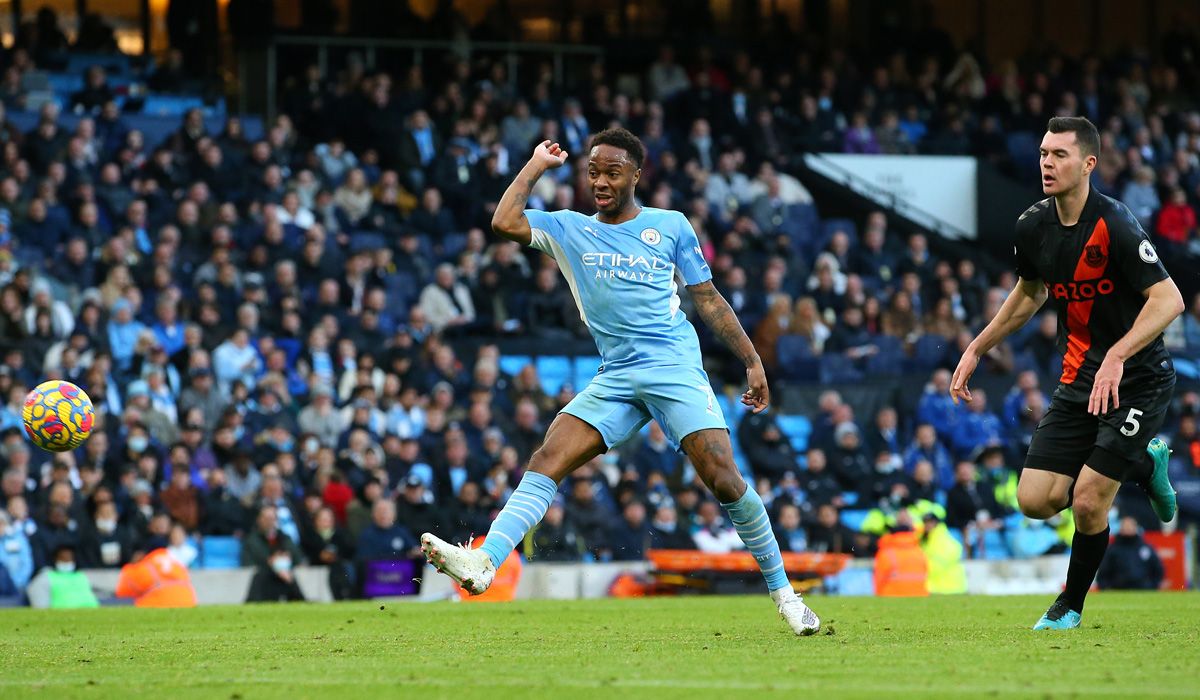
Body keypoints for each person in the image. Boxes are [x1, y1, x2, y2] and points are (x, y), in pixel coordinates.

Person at [420, 130, 821, 635]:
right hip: (617, 374)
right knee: (548, 456)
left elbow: (708, 298)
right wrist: (536, 165)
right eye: (593, 172)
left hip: (673, 366)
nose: (601, 182)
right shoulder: (568, 229)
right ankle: (485, 562)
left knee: (723, 476)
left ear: (636, 174)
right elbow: (503, 221)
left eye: (612, 172)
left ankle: (785, 595)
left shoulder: (670, 226)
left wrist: (752, 360)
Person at [950, 116, 1184, 630]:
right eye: (1042, 154)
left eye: (1059, 155)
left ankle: (1069, 607)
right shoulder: (1031, 226)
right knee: (1035, 500)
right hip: (1081, 379)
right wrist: (977, 347)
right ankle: (1143, 465)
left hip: (1138, 378)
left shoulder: (1116, 223)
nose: (1047, 164)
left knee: (1087, 499)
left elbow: (1169, 299)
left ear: (1088, 164)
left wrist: (1119, 356)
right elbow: (1029, 295)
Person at [114, 546, 197, 607]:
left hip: (158, 603)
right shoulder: (176, 564)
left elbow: (121, 593)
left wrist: (132, 565)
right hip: (189, 602)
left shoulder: (144, 567)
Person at [1097, 516, 1164, 590]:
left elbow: (1158, 570)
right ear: (1120, 528)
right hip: (1118, 590)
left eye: (1130, 525)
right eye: (1125, 526)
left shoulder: (1146, 548)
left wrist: (1152, 587)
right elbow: (1103, 572)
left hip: (1143, 589)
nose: (1128, 528)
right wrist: (1106, 588)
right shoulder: (1112, 549)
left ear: (1136, 527)